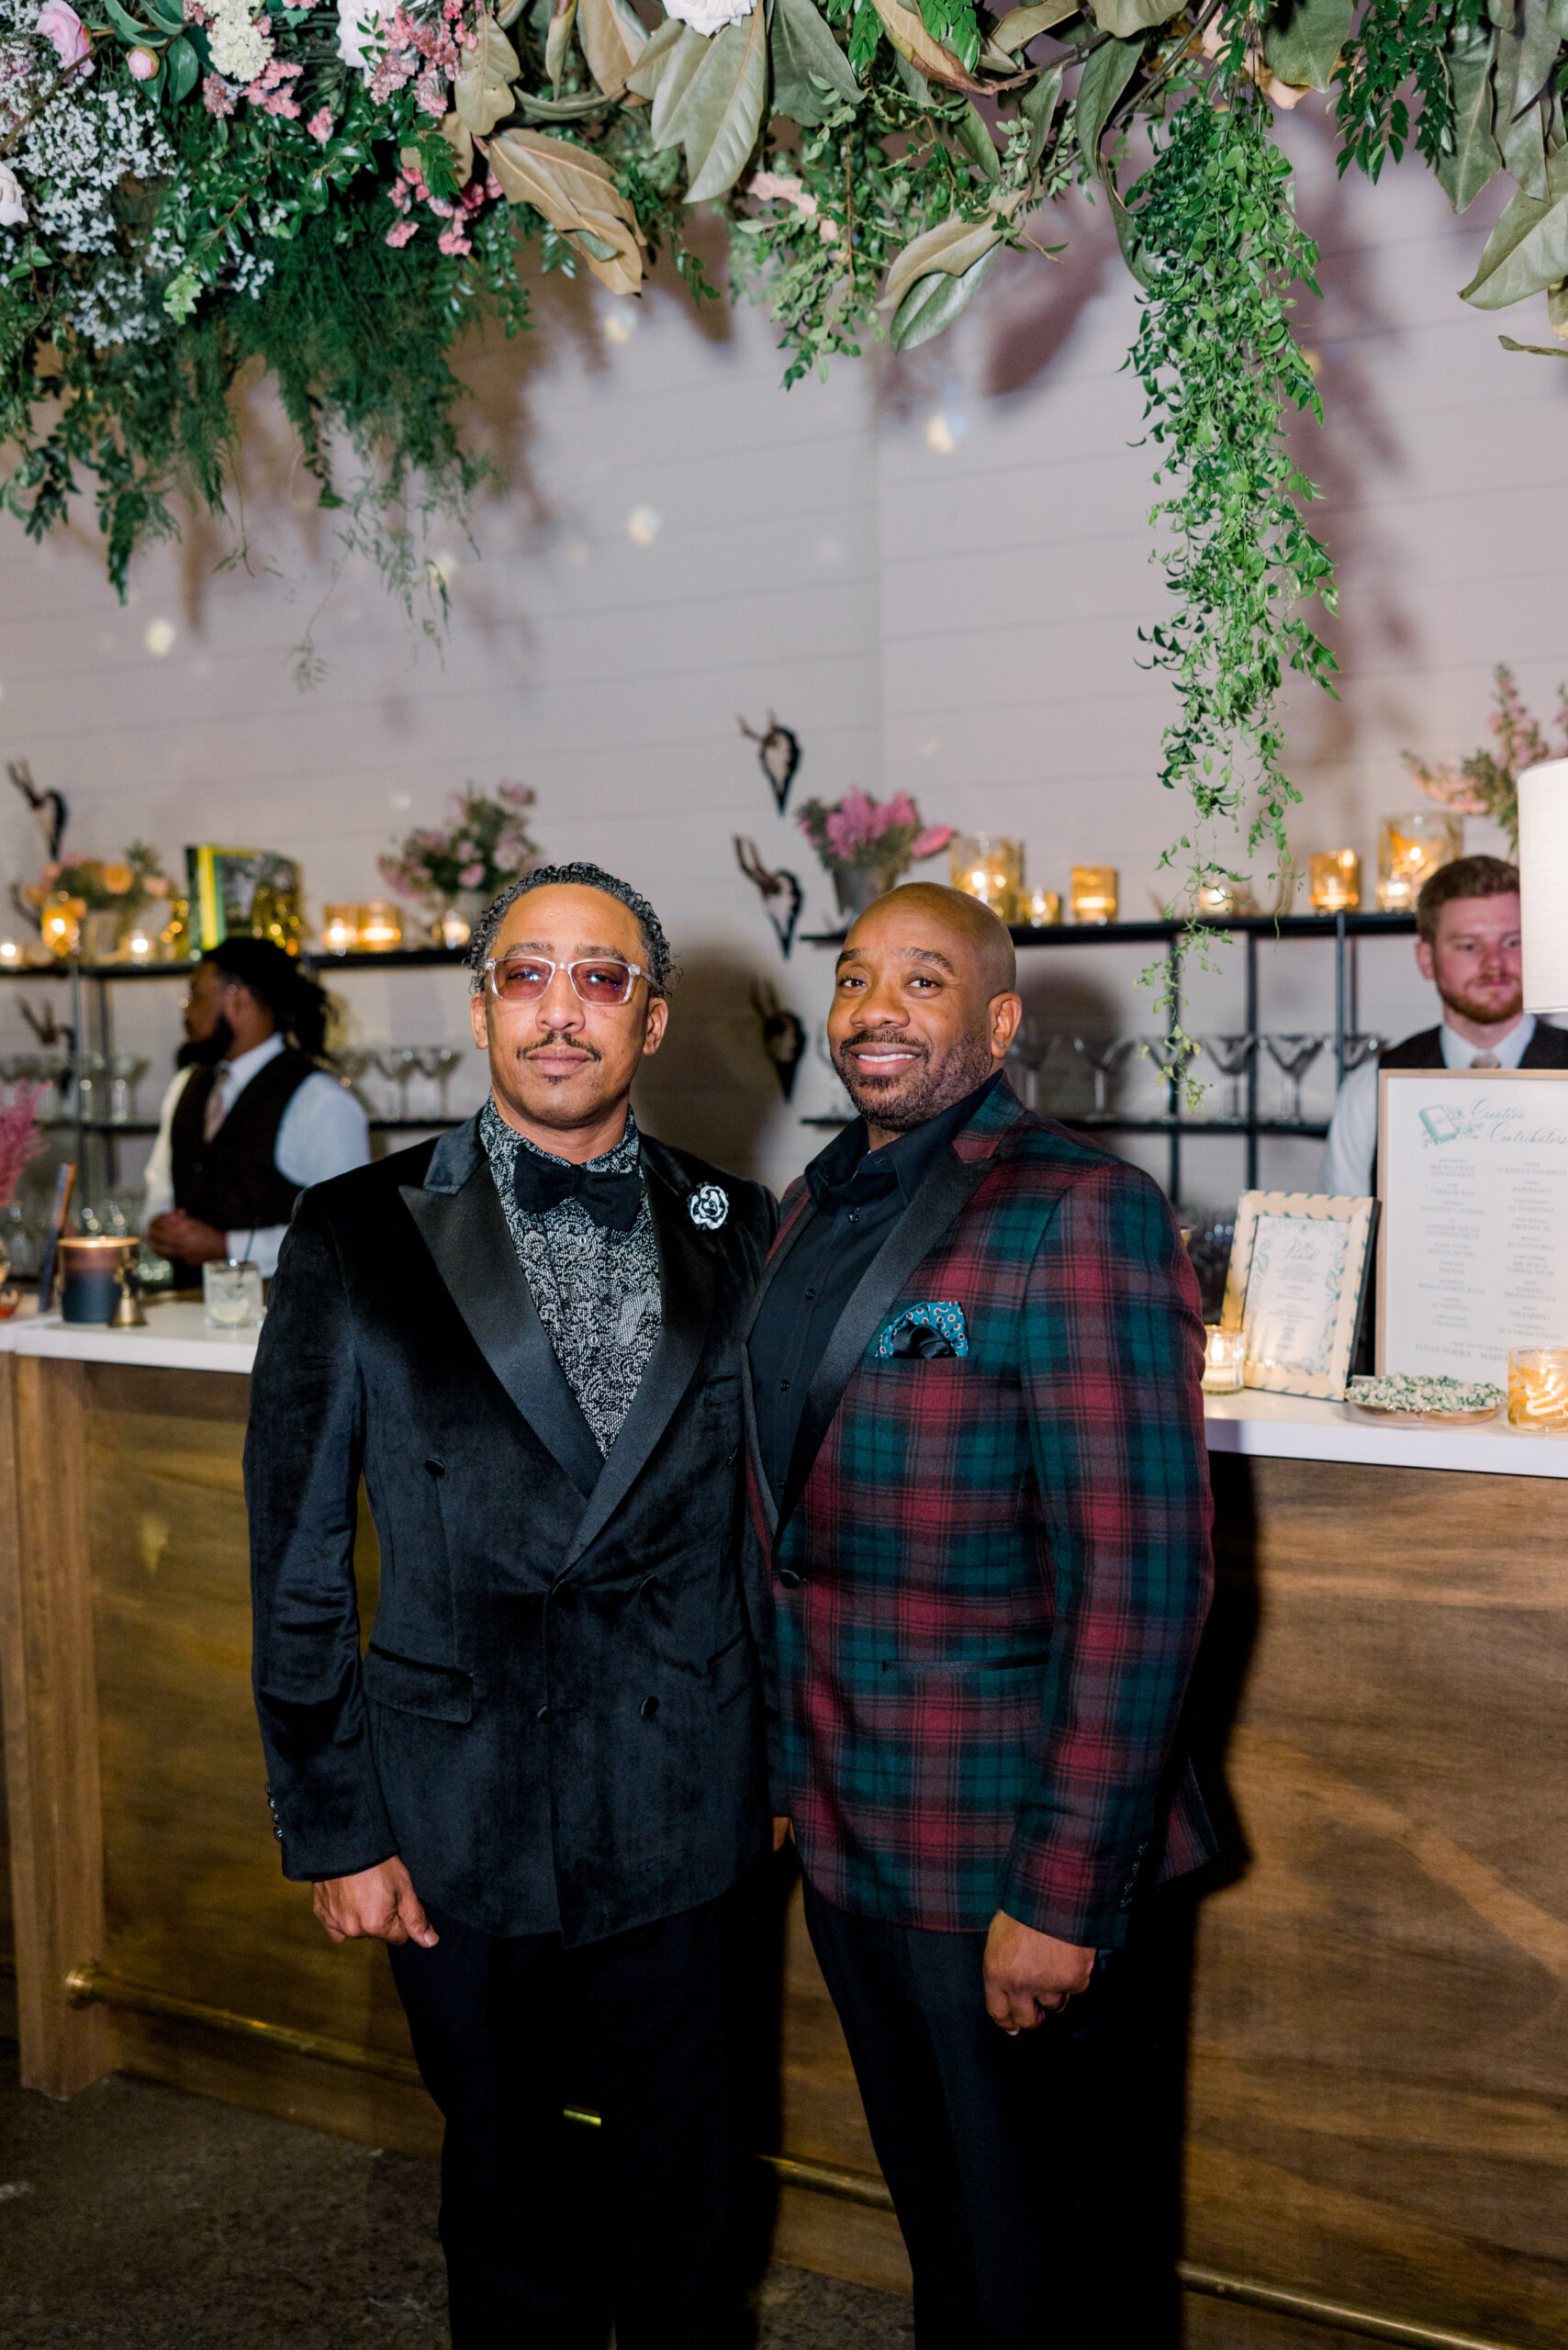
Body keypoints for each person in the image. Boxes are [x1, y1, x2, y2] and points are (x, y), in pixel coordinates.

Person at [246, 863, 777, 2349]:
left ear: (652, 1019)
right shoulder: (351, 1230)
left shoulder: (744, 1229)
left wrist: (781, 1770)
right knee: (503, 2199)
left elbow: (769, 1537)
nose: (562, 1011)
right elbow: (293, 1554)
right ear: (482, 1009)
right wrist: (336, 1821)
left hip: (683, 1799)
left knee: (690, 2203)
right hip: (452, 1808)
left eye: (599, 979)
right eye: (528, 976)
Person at [745, 882, 1215, 2349]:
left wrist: (1063, 1893)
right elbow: (786, 1530)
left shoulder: (1081, 1211)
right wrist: (781, 1776)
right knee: (944, 2229)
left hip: (1009, 1850)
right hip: (846, 1824)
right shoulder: (809, 1201)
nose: (876, 1007)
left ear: (999, 1022)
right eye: (856, 977)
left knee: (1055, 2261)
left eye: (924, 980)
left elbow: (1141, 1578)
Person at [1321, 855, 1566, 1197]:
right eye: (1468, 946)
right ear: (1426, 960)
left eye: (1513, 942)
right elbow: (1348, 1239)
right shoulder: (1371, 1091)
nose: (1494, 962)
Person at [143, 934, 368, 1282]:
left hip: (279, 1322)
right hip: (186, 1315)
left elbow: (347, 1231)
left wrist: (228, 1246)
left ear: (239, 1001)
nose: (187, 1009)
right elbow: (161, 1184)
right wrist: (159, 1223)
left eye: (197, 995)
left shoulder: (320, 1099)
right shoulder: (185, 1085)